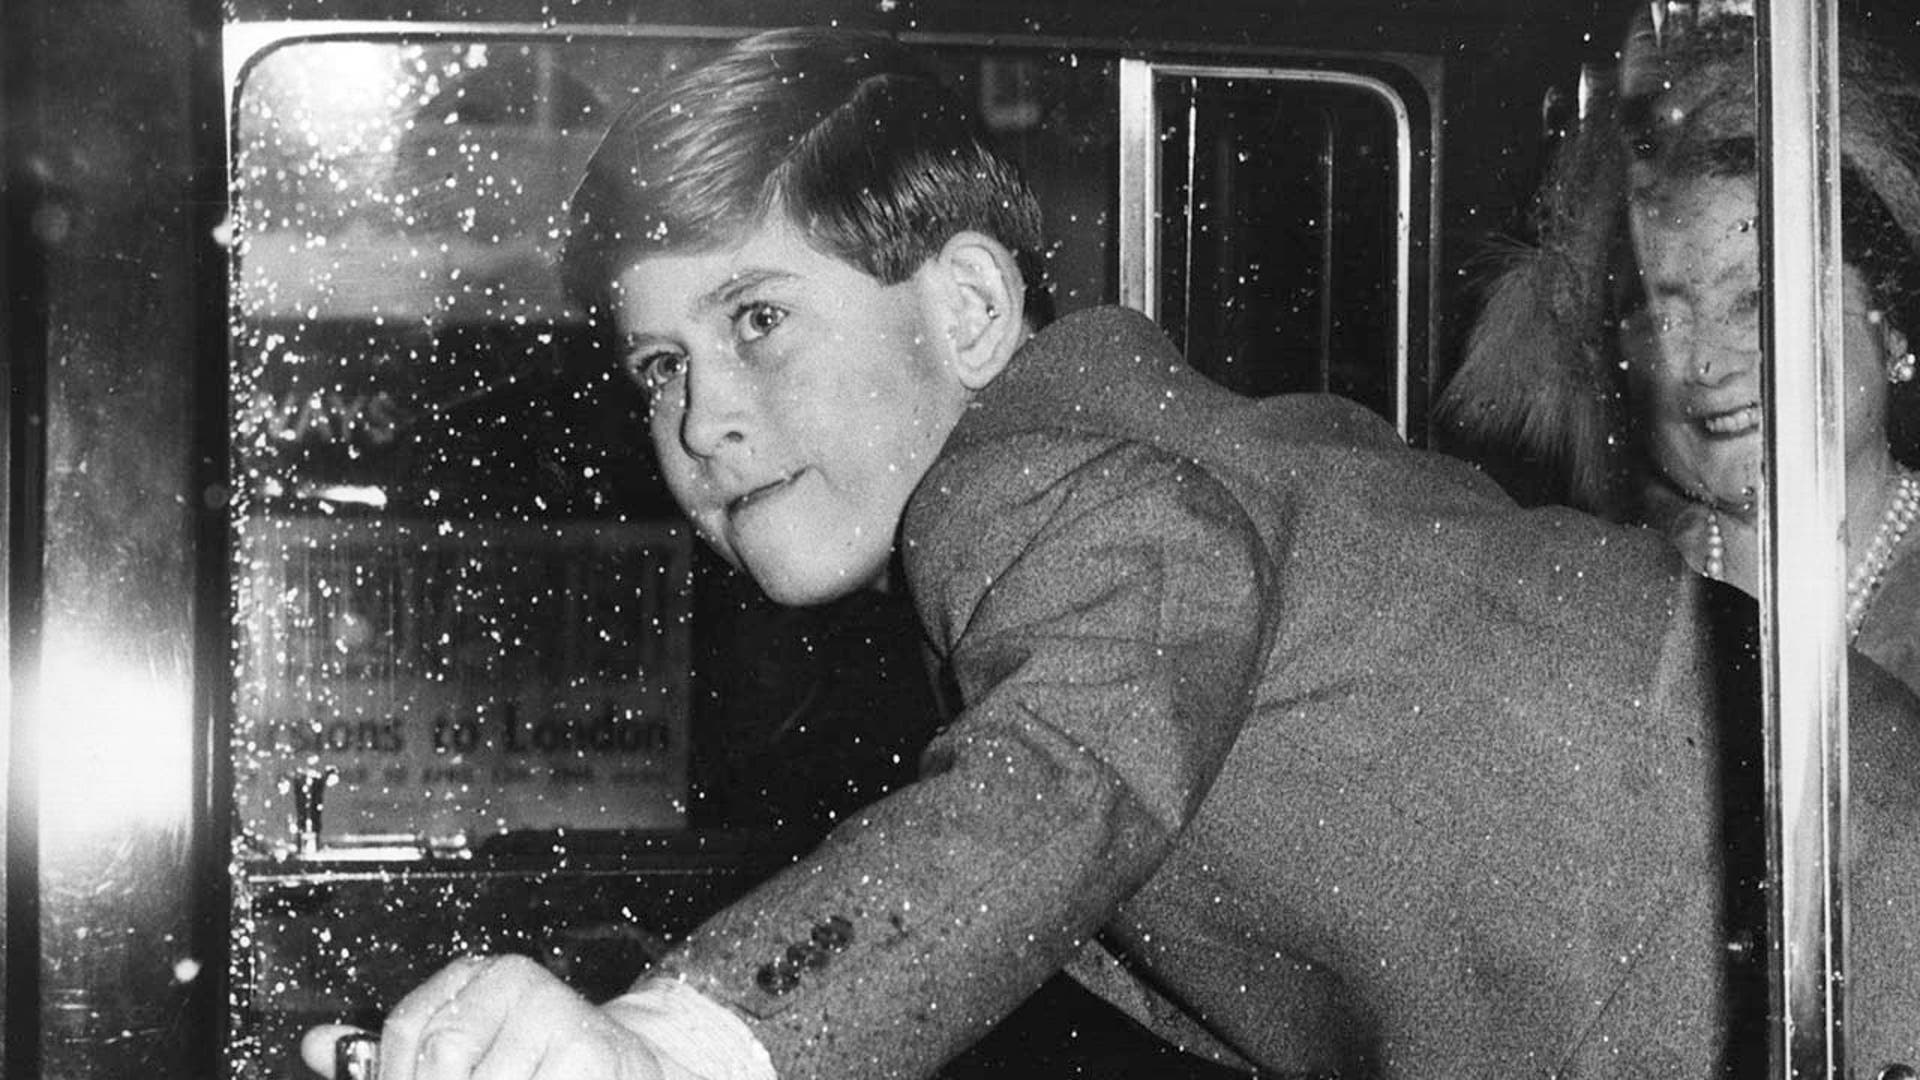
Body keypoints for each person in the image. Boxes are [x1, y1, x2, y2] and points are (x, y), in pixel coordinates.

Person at [303, 27, 1920, 1080]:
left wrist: (672, 1046)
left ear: (970, 309)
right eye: (660, 365)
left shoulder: (1043, 476)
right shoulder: (1113, 478)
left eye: (760, 321)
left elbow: (1055, 787)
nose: (703, 417)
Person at [1438, 7, 1920, 695]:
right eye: (1661, 319)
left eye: (1755, 301)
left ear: (1891, 321)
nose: (1704, 364)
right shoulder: (1596, 600)